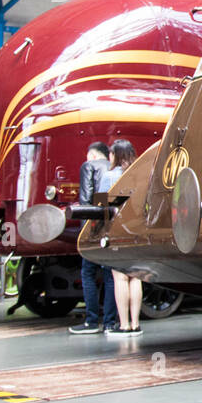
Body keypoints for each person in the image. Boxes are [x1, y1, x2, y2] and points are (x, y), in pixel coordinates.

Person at [69, 141, 114, 335]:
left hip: (92, 228)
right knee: (110, 275)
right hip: (110, 228)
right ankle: (111, 322)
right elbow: (105, 200)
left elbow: (87, 200)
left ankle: (91, 320)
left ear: (93, 156)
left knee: (87, 274)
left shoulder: (89, 166)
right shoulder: (114, 169)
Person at [101, 139, 143, 337]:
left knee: (119, 276)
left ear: (114, 156)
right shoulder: (140, 176)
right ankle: (136, 324)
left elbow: (100, 203)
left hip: (117, 229)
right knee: (135, 276)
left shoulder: (109, 176)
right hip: (137, 229)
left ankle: (124, 325)